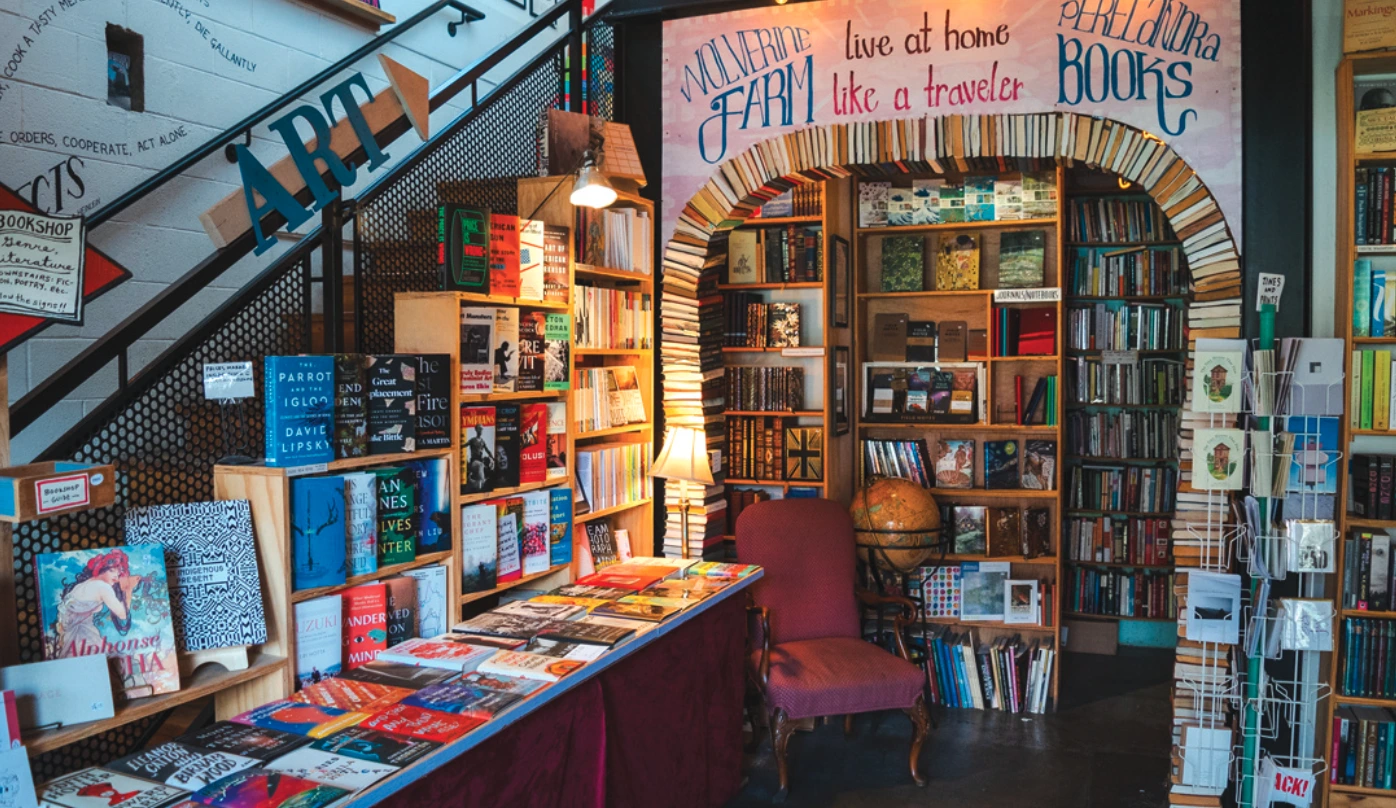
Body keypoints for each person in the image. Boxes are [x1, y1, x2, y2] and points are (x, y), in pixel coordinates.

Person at [53, 549, 135, 658]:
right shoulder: (102, 587)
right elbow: (122, 615)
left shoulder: (82, 585)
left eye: (119, 573)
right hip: (84, 636)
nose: (116, 576)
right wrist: (128, 589)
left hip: (72, 636)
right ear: (100, 569)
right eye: (111, 570)